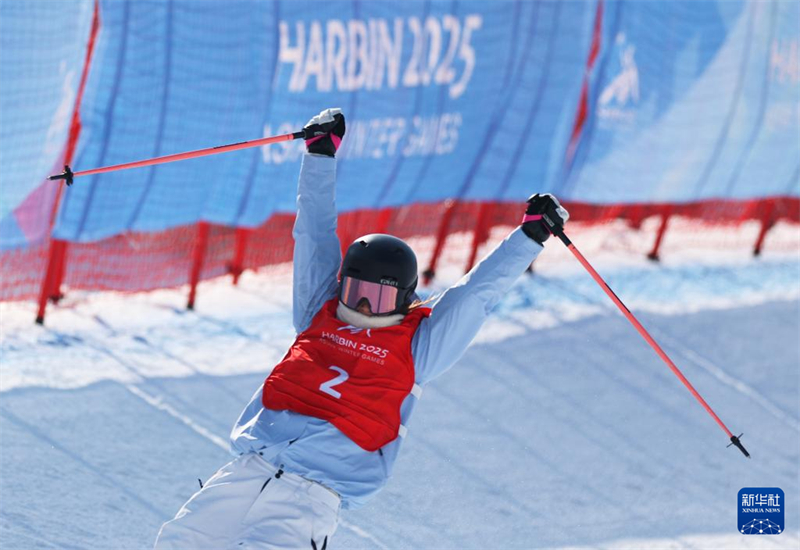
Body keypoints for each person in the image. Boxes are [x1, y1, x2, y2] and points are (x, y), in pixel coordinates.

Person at [154, 108, 569, 550]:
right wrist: (319, 154)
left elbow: (474, 296)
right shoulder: (320, 307)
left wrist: (529, 237)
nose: (367, 306)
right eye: (357, 291)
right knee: (179, 542)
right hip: (248, 468)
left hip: (312, 495)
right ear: (341, 285)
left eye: (382, 297)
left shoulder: (419, 347)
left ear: (406, 299)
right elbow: (313, 231)